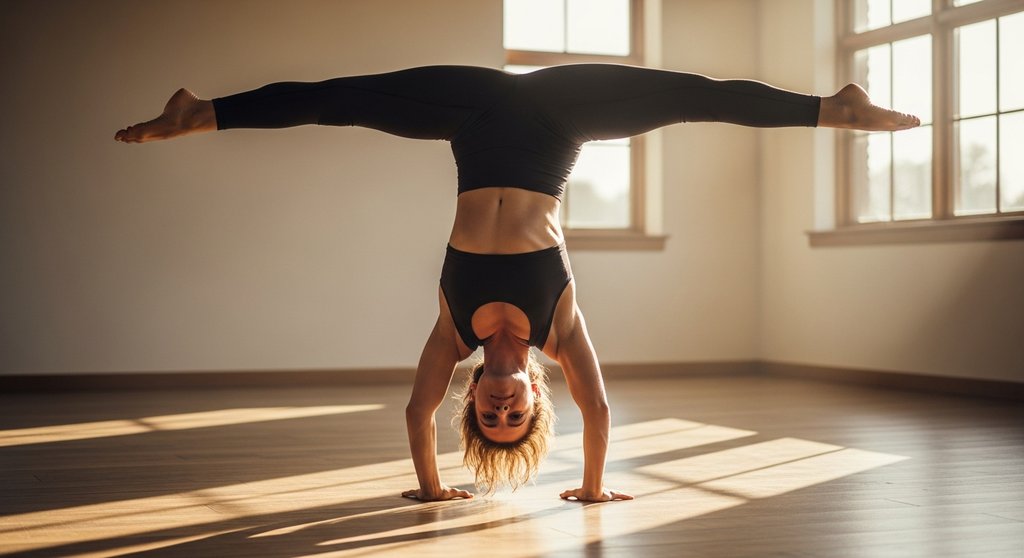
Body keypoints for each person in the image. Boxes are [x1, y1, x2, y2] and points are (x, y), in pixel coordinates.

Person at [115, 64, 919, 503]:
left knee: (346, 100)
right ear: (535, 398)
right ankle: (831, 109)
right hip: (558, 120)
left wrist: (431, 490)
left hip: (473, 113)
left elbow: (415, 410)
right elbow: (599, 410)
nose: (500, 407)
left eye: (488, 416)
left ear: (477, 400)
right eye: (516, 415)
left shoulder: (449, 335)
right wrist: (595, 490)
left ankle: (201, 112)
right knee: (685, 98)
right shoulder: (562, 335)